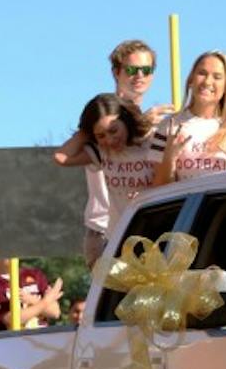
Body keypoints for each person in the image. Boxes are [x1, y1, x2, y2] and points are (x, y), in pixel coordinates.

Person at [56, 40, 174, 265]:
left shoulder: (153, 125)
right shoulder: (104, 111)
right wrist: (89, 129)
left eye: (146, 70)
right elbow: (63, 156)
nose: (139, 76)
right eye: (131, 69)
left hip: (144, 228)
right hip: (105, 230)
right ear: (116, 72)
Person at [56, 94, 158, 264]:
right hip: (119, 240)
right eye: (101, 135)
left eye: (113, 130)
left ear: (126, 120)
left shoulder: (151, 141)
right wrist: (85, 132)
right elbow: (61, 157)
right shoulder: (101, 152)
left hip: (155, 234)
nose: (110, 140)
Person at [151, 50, 226, 184]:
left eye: (217, 77)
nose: (207, 81)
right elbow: (158, 188)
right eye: (202, 73)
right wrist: (169, 159)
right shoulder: (170, 126)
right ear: (190, 80)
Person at [0, 259, 63, 331]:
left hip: (41, 337)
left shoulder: (35, 274)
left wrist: (32, 300)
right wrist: (46, 301)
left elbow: (55, 312)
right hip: (15, 339)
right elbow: (11, 319)